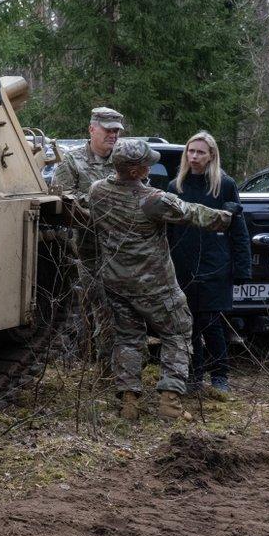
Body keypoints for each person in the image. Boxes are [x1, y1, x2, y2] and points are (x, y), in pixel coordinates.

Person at [86, 137, 234, 418]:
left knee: (128, 339)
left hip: (116, 283)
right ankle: (170, 402)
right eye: (146, 165)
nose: (149, 168)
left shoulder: (97, 192)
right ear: (135, 171)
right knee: (177, 333)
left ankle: (129, 403)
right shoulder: (152, 200)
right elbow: (192, 213)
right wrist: (226, 217)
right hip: (155, 285)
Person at [167, 131, 250, 400]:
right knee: (187, 322)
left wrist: (242, 268)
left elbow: (238, 230)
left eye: (200, 152)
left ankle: (220, 376)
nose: (194, 156)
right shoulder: (175, 187)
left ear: (211, 155)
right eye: (191, 151)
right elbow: (167, 232)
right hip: (183, 265)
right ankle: (194, 375)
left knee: (212, 322)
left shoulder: (224, 185)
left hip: (215, 265)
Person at [52, 106, 128, 360]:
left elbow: (139, 192)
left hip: (123, 249)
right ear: (92, 129)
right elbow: (62, 199)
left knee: (122, 309)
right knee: (100, 306)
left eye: (117, 131)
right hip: (89, 251)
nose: (113, 136)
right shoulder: (73, 161)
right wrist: (102, 202)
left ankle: (117, 367)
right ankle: (103, 368)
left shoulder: (124, 160)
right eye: (108, 130)